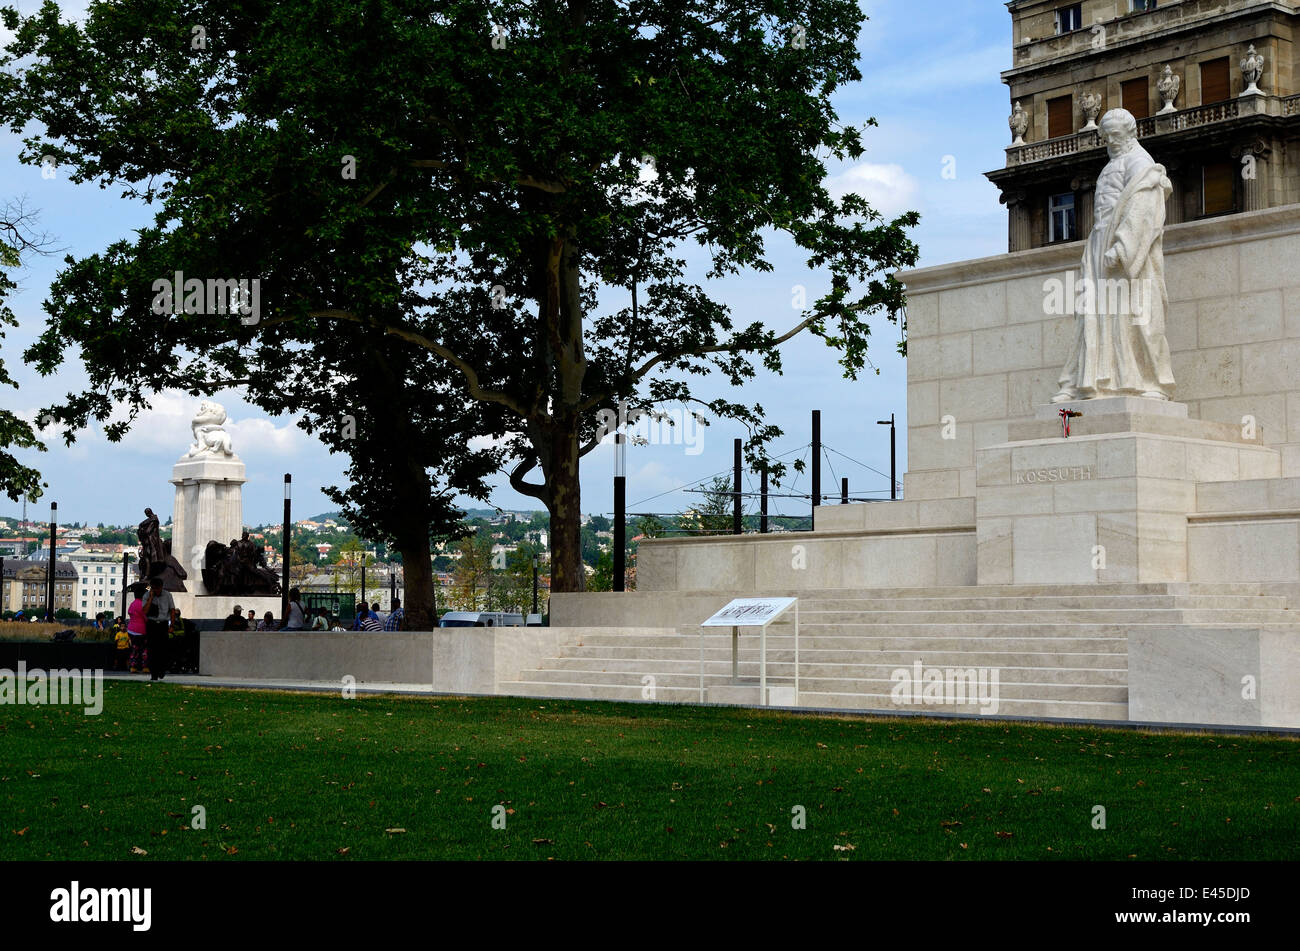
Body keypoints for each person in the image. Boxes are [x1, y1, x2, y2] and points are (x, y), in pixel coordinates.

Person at [142, 576, 174, 681]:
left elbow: (172, 610)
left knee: (163, 649)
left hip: (163, 624)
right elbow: (145, 611)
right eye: (154, 588)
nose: (156, 590)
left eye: (158, 588)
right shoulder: (147, 595)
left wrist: (171, 625)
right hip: (152, 624)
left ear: (161, 587)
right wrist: (151, 598)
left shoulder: (168, 595)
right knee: (152, 650)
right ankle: (154, 673)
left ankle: (161, 669)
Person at [126, 582, 149, 673]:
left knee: (134, 649)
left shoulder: (132, 604)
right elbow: (146, 617)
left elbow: (129, 612)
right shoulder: (142, 604)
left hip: (131, 630)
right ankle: (145, 667)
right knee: (144, 649)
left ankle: (133, 667)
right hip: (142, 631)